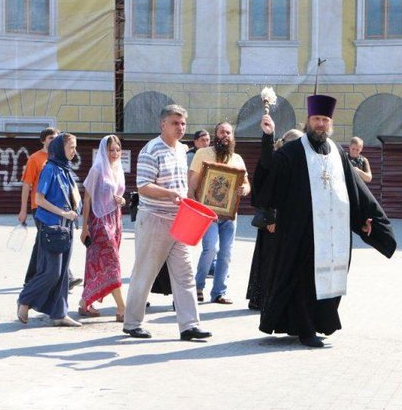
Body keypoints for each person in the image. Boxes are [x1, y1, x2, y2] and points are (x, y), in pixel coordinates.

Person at [255, 95, 397, 348]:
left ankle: (319, 323)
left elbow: (355, 189)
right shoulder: (295, 150)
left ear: (330, 122)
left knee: (330, 276)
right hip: (302, 231)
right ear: (308, 121)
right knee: (303, 279)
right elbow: (270, 171)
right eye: (316, 119)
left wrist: (362, 218)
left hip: (335, 231)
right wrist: (268, 137)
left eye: (325, 120)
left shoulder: (337, 152)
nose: (320, 124)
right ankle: (305, 329)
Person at [122, 104, 211, 340]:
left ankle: (189, 325)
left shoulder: (182, 150)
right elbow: (143, 186)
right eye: (175, 123)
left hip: (180, 220)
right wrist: (169, 194)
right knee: (145, 272)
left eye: (183, 123)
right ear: (162, 124)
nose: (180, 127)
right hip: (154, 219)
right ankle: (132, 323)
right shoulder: (151, 150)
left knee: (185, 273)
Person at [17, 133, 82, 327]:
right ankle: (25, 299)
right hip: (51, 227)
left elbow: (73, 196)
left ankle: (59, 313)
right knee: (51, 272)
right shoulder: (50, 169)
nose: (74, 151)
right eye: (71, 147)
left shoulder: (66, 170)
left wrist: (75, 209)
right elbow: (39, 199)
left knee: (63, 274)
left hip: (67, 227)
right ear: (60, 149)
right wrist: (63, 212)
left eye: (75, 147)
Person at [188, 121, 251, 304]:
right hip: (208, 213)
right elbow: (192, 179)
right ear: (216, 135)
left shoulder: (237, 159)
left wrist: (244, 190)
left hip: (230, 215)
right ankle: (198, 286)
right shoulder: (203, 153)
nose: (225, 135)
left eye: (229, 133)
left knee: (226, 253)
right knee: (211, 248)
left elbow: (246, 184)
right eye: (222, 132)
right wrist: (192, 202)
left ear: (233, 137)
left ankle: (219, 292)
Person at [246, 128, 303, 311]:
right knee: (269, 259)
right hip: (274, 221)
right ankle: (262, 298)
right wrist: (272, 218)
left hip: (284, 221)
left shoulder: (289, 160)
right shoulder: (278, 160)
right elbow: (269, 190)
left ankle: (265, 297)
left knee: (273, 258)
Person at [78, 135, 127, 322]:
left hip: (116, 219)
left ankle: (84, 303)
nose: (114, 153)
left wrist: (122, 201)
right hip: (99, 221)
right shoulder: (97, 169)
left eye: (117, 149)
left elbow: (119, 194)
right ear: (103, 151)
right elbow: (87, 199)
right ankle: (122, 308)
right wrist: (84, 228)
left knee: (100, 263)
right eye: (111, 149)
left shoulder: (118, 168)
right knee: (112, 262)